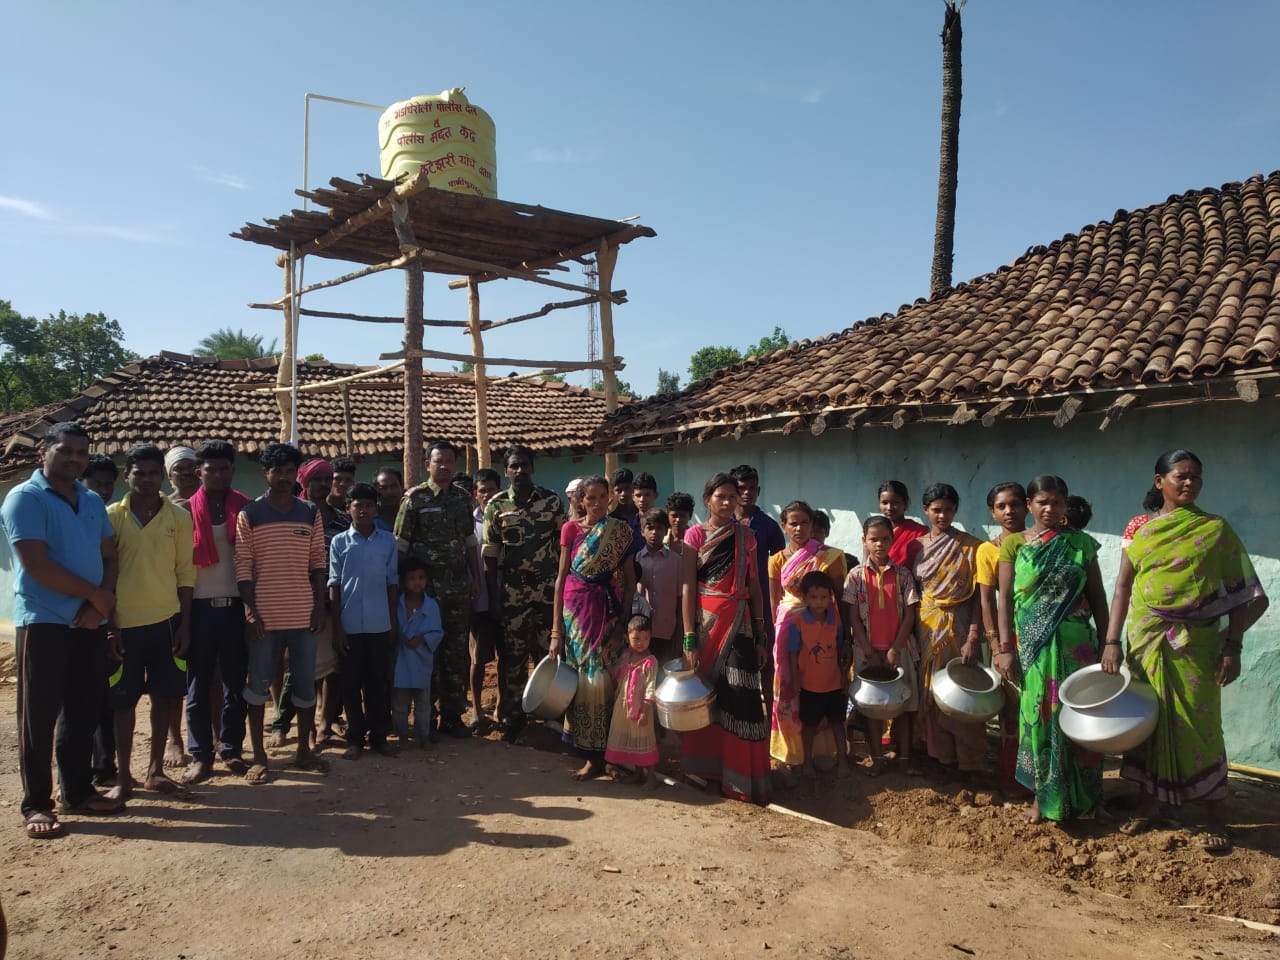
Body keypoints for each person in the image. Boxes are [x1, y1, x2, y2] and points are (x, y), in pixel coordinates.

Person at [1103, 450, 1268, 851]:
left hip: (1199, 646)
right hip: (1145, 641)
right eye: (1181, 476)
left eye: (1197, 476)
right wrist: (1111, 641)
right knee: (1148, 722)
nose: (1190, 483)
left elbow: (1251, 595)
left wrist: (1233, 645)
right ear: (1159, 481)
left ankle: (1215, 814)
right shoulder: (1141, 529)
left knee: (1201, 726)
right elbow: (1124, 587)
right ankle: (1149, 805)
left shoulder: (1215, 529)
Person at [2, 422, 123, 838]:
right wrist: (97, 596)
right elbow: (36, 565)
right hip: (45, 621)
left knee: (83, 709)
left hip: (90, 622)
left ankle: (78, 791)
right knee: (38, 715)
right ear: (45, 453)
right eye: (66, 450)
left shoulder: (90, 500)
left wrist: (100, 602)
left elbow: (110, 554)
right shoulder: (25, 498)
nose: (74, 458)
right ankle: (36, 803)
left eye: (81, 453)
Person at [996, 476, 1109, 823]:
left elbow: (1098, 597)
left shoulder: (1082, 545)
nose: (1050, 508)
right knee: (1039, 720)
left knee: (1081, 717)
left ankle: (1086, 800)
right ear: (1029, 504)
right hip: (1033, 650)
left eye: (1057, 502)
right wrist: (1005, 649)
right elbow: (1004, 602)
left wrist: (1109, 644)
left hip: (1078, 649)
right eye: (1042, 502)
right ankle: (1041, 800)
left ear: (1065, 505)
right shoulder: (1014, 545)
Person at [235, 442, 329, 783]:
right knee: (258, 687)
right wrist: (250, 611)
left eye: (291, 471)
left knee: (305, 686)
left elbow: (318, 562)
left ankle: (303, 750)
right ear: (266, 474)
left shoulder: (309, 512)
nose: (285, 477)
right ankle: (259, 757)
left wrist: (318, 606)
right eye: (278, 471)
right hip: (264, 616)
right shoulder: (251, 514)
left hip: (303, 615)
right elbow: (243, 567)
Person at [105, 444, 195, 799]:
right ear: (127, 475)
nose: (146, 479)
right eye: (138, 472)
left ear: (162, 476)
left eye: (153, 473)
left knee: (166, 697)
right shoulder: (112, 516)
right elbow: (105, 575)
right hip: (123, 626)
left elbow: (185, 574)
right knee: (124, 702)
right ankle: (123, 776)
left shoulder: (178, 517)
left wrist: (185, 624)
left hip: (167, 622)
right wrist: (110, 626)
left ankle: (155, 770)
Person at [679, 472, 772, 805]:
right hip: (706, 624)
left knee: (742, 696)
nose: (728, 502)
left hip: (741, 623)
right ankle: (700, 769)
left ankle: (740, 776)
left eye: (733, 497)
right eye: (721, 496)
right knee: (705, 696)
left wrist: (761, 634)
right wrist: (689, 637)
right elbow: (688, 586)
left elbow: (757, 588)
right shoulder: (693, 535)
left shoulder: (746, 536)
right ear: (708, 499)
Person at [394, 442, 482, 738]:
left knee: (456, 653)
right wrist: (401, 590)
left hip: (458, 587)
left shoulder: (462, 498)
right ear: (427, 464)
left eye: (449, 461)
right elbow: (401, 547)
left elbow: (470, 541)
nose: (444, 466)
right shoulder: (414, 499)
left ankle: (452, 717)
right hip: (425, 592)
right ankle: (425, 717)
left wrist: (476, 578)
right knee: (425, 652)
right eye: (438, 461)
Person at [551, 476, 636, 779]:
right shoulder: (570, 530)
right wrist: (556, 632)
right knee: (582, 683)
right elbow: (561, 578)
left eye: (603, 496)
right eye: (591, 498)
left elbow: (629, 582)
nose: (598, 503)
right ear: (581, 500)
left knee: (604, 680)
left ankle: (610, 756)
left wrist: (622, 624)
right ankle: (588, 757)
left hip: (607, 612)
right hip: (575, 613)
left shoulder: (620, 533)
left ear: (611, 498)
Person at [483, 445, 567, 744]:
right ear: (506, 471)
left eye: (525, 465)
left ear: (533, 467)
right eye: (514, 466)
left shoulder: (552, 501)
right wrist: (493, 597)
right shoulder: (496, 506)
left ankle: (552, 714)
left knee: (550, 654)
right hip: (513, 594)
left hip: (548, 593)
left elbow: (564, 548)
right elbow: (491, 555)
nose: (520, 471)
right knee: (513, 657)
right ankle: (514, 718)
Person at [181, 440, 251, 785]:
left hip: (236, 607)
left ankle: (232, 749)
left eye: (225, 468)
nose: (219, 474)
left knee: (235, 683)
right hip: (198, 609)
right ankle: (200, 755)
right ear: (199, 472)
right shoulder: (183, 512)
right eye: (212, 469)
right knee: (197, 685)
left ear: (232, 471)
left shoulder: (246, 509)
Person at [907, 482, 986, 776]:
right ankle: (938, 756)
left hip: (961, 622)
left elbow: (980, 594)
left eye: (949, 510)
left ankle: (969, 760)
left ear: (956, 511)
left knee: (962, 687)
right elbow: (911, 588)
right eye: (937, 510)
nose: (943, 516)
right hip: (926, 622)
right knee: (930, 687)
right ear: (926, 510)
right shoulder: (916, 546)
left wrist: (974, 634)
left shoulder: (972, 546)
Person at [273, 458, 350, 747]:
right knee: (299, 666)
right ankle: (282, 722)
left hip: (332, 601)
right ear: (303, 481)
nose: (322, 485)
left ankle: (325, 722)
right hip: (298, 600)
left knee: (333, 666)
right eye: (316, 479)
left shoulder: (342, 519)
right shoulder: (293, 516)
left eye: (326, 479)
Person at [767, 500, 846, 772]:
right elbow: (774, 602)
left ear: (813, 526)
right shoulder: (776, 561)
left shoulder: (830, 557)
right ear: (784, 527)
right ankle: (790, 751)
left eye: (804, 522)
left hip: (822, 629)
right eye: (793, 523)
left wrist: (844, 636)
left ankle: (822, 752)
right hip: (787, 630)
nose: (799, 528)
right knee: (789, 689)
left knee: (821, 686)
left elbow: (839, 598)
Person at [843, 515, 921, 776]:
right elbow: (853, 616)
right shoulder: (855, 577)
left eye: (885, 539)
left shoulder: (903, 575)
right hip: (867, 652)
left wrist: (895, 648)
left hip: (900, 651)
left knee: (904, 706)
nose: (879, 545)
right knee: (873, 708)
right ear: (864, 541)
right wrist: (867, 651)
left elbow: (910, 614)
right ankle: (877, 758)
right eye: (873, 539)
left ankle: (905, 759)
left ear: (893, 540)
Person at [330, 482, 400, 759]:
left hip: (380, 623)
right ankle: (355, 738)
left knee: (377, 683)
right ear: (348, 509)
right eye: (358, 505)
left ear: (376, 509)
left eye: (369, 505)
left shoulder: (387, 541)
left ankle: (379, 737)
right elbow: (334, 585)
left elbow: (393, 583)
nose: (364, 510)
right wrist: (337, 627)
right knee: (350, 683)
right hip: (349, 625)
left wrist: (393, 621)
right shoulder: (339, 542)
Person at [974, 482, 1029, 793]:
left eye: (1015, 504)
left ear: (1027, 505)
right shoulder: (988, 550)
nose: (1010, 511)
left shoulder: (1042, 542)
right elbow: (987, 601)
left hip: (1046, 638)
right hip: (1010, 640)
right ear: (992, 512)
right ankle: (1013, 779)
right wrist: (997, 646)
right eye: (1001, 506)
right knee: (1011, 710)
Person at [786, 571, 853, 788]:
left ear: (831, 598)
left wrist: (844, 678)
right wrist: (795, 680)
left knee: (837, 723)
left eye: (825, 597)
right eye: (814, 598)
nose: (819, 602)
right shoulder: (797, 621)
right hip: (809, 686)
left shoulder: (835, 620)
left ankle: (843, 761)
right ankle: (807, 763)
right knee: (809, 726)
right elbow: (793, 653)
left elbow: (842, 652)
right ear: (804, 598)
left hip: (834, 683)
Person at [81, 453, 118, 787]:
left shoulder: (106, 518)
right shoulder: (77, 515)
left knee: (105, 695)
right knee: (77, 700)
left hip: (104, 616)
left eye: (109, 484)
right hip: (72, 616)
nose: (104, 489)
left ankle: (105, 764)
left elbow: (112, 565)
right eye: (97, 483)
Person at [604, 614, 660, 788]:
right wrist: (606, 660)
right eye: (636, 638)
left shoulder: (650, 662)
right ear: (626, 638)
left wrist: (645, 708)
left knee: (644, 738)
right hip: (623, 707)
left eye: (645, 638)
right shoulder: (626, 656)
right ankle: (637, 774)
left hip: (641, 708)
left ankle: (651, 777)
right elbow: (617, 675)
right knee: (631, 739)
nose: (641, 642)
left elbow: (651, 687)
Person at [393, 558, 444, 747]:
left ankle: (423, 734)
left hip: (421, 661)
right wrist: (401, 638)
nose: (417, 582)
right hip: (401, 660)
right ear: (403, 582)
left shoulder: (431, 606)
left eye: (421, 578)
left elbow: (437, 632)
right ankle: (402, 735)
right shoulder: (396, 604)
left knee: (423, 703)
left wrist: (421, 639)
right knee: (399, 704)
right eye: (412, 578)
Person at [468, 467, 503, 731]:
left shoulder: (510, 520)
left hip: (507, 599)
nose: (488, 495)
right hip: (479, 603)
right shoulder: (470, 524)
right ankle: (477, 710)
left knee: (507, 659)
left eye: (492, 490)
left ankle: (501, 707)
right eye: (483, 491)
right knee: (479, 660)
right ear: (475, 494)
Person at [635, 508, 682, 666]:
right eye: (650, 528)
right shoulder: (636, 560)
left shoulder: (675, 561)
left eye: (659, 528)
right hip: (641, 633)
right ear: (642, 531)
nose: (654, 532)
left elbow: (680, 598)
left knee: (665, 674)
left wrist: (680, 632)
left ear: (666, 531)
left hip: (667, 630)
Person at [878, 481, 928, 566]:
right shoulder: (874, 532)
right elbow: (867, 564)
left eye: (895, 502)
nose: (889, 508)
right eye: (885, 503)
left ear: (905, 503)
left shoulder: (920, 532)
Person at [373, 467, 404, 533]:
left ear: (402, 486)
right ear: (376, 490)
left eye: (393, 486)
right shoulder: (369, 519)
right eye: (383, 488)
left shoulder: (412, 515)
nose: (389, 492)